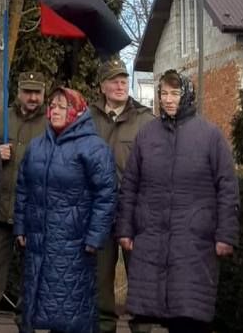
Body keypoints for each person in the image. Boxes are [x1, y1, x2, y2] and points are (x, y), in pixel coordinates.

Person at [115, 70, 239, 333]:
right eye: (164, 93)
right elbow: (130, 185)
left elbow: (227, 187)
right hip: (152, 240)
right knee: (154, 313)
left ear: (187, 95)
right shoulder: (146, 136)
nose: (168, 99)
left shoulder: (210, 136)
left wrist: (225, 235)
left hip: (195, 242)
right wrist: (125, 229)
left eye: (175, 93)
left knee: (189, 315)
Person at [15, 87, 117, 333]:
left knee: (71, 312)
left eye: (62, 106)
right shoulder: (37, 146)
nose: (55, 111)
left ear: (77, 111)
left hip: (75, 245)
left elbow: (106, 195)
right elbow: (23, 188)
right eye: (53, 106)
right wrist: (20, 226)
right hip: (40, 243)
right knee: (45, 310)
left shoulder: (94, 148)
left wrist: (95, 236)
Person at [0, 71, 49, 332]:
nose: (32, 97)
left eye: (37, 92)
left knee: (31, 271)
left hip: (32, 211)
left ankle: (26, 319)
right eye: (27, 91)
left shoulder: (50, 123)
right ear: (18, 92)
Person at [88, 56, 153, 333]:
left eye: (124, 80)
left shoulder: (146, 119)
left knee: (140, 280)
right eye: (113, 80)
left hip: (135, 213)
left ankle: (143, 327)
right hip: (98, 211)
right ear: (102, 86)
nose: (120, 85)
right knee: (100, 282)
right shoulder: (86, 118)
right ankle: (105, 326)